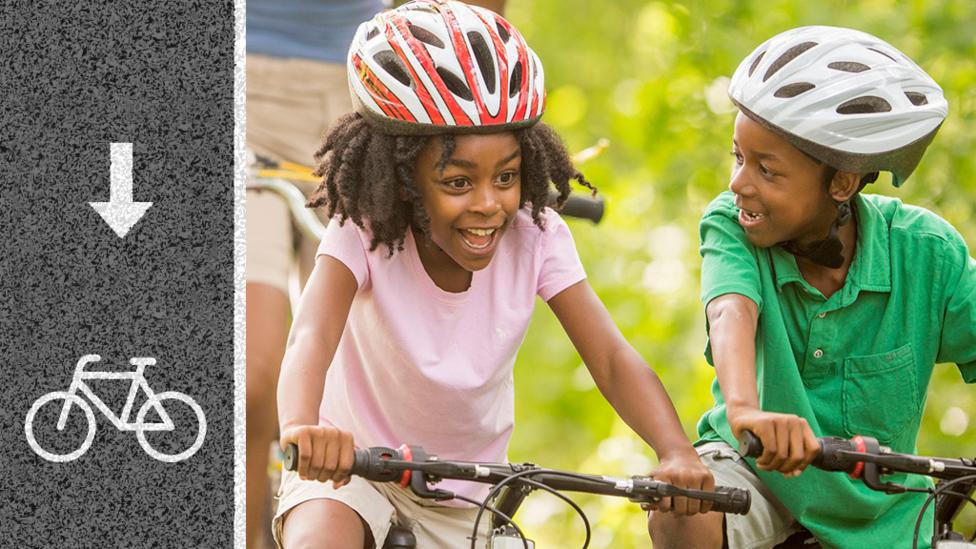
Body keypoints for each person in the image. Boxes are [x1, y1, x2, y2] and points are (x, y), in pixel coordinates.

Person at [273, 1, 715, 547]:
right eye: (458, 182)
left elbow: (611, 357)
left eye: (506, 177)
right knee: (320, 535)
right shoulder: (365, 229)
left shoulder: (536, 233)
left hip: (468, 498)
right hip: (352, 476)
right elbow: (311, 335)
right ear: (402, 179)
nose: (488, 204)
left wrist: (673, 450)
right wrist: (302, 427)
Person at [648, 26, 976, 548]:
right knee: (686, 512)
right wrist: (744, 411)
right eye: (738, 158)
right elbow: (730, 311)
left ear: (842, 182)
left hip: (885, 511)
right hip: (754, 474)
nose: (739, 183)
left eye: (767, 170)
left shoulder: (927, 252)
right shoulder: (732, 224)